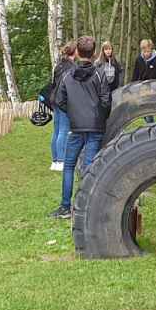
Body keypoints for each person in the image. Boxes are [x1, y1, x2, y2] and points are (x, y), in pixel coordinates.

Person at [51, 36, 112, 219]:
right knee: (89, 167)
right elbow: (106, 100)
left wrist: (72, 113)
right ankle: (86, 207)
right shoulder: (100, 74)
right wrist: (101, 117)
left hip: (76, 126)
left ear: (77, 52)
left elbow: (59, 100)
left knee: (69, 166)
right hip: (95, 126)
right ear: (94, 53)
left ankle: (65, 207)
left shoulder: (68, 76)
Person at [44, 41, 77, 171]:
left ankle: (55, 161)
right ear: (74, 52)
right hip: (63, 101)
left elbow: (53, 83)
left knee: (57, 131)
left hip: (54, 100)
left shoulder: (58, 66)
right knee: (63, 130)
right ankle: (61, 161)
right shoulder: (72, 67)